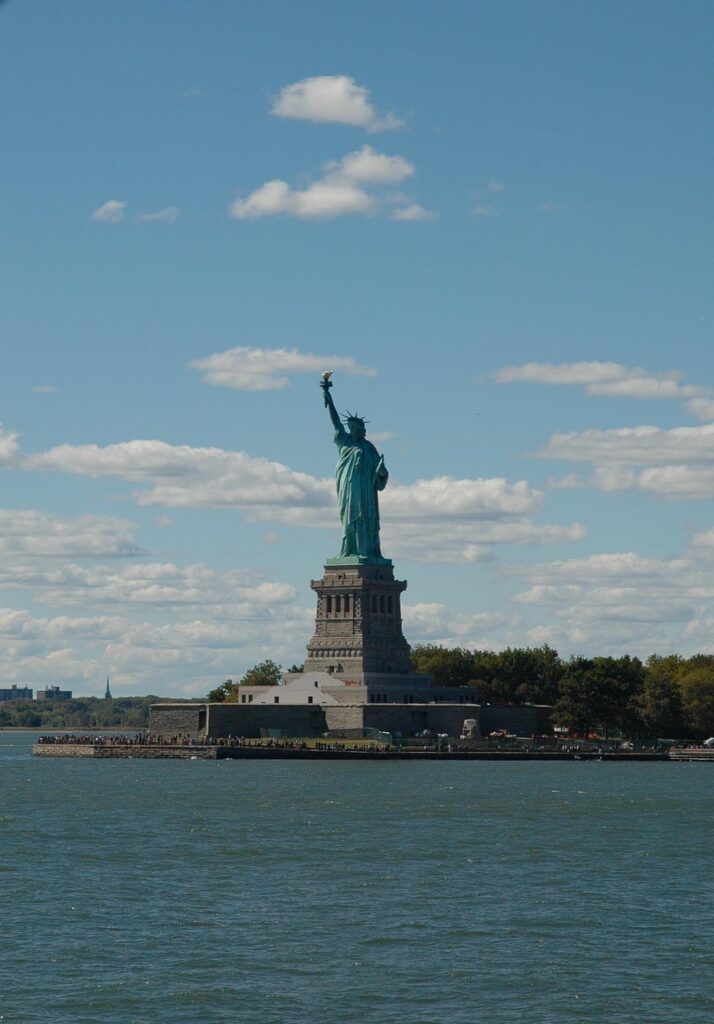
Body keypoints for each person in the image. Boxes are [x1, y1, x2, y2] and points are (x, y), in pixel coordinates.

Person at [323, 385, 388, 560]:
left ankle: (366, 551)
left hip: (366, 491)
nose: (353, 431)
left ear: (362, 430)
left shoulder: (368, 447)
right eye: (351, 428)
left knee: (365, 517)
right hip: (348, 488)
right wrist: (329, 399)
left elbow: (380, 472)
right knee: (349, 516)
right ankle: (348, 550)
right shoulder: (344, 441)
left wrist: (381, 471)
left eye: (356, 428)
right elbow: (336, 422)